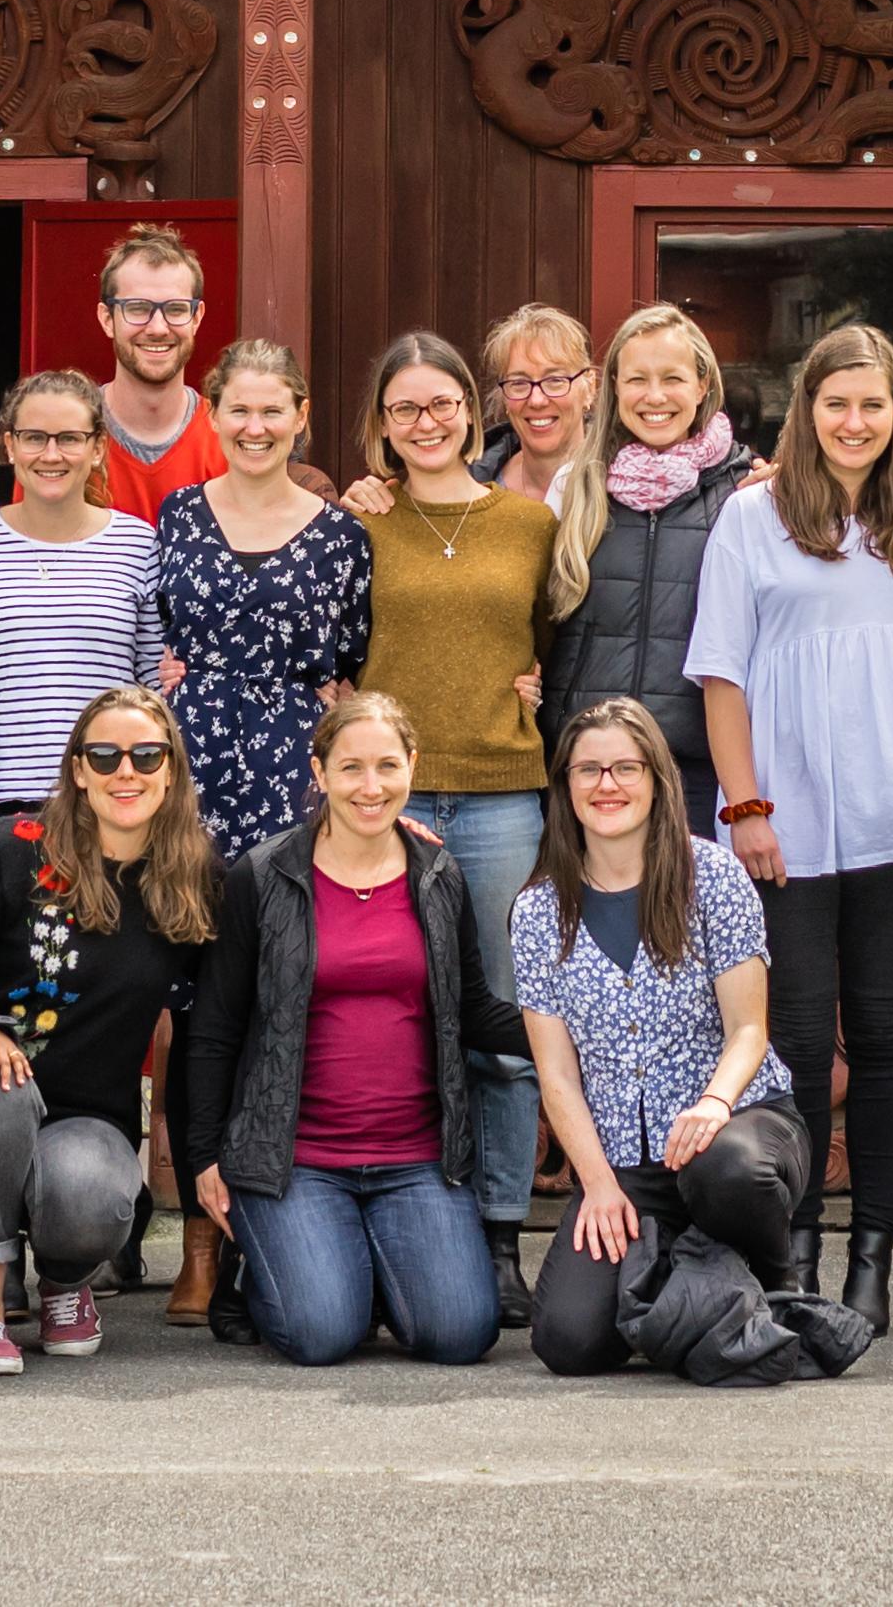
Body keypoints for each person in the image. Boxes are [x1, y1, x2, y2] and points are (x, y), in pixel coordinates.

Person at [680, 321, 893, 1333]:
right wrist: (747, 804)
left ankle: (872, 1264)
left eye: (874, 405)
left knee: (887, 1038)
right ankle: (792, 1250)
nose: (855, 421)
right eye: (837, 402)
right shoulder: (753, 518)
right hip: (783, 819)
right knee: (797, 1039)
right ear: (808, 411)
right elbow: (721, 675)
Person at [173, 691, 523, 1367]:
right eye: (352, 768)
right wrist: (204, 1158)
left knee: (459, 1335)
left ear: (412, 767)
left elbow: (475, 1009)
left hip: (417, 1159)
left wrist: (575, 1038)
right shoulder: (264, 876)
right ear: (320, 771)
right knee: (321, 1335)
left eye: (388, 766)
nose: (371, 787)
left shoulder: (439, 877)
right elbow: (215, 1026)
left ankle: (358, 1268)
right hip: (294, 1161)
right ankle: (280, 1270)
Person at [0, 685, 220, 1372]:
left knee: (95, 1197)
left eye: (146, 756)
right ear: (77, 769)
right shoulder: (19, 847)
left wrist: (387, 841)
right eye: (104, 755)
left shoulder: (193, 880)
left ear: (172, 770)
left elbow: (276, 922)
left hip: (85, 1124)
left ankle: (66, 1285)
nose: (125, 771)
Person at [341, 332, 564, 1324]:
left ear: (473, 411)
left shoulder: (529, 522)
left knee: (503, 1024)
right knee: (389, 1012)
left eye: (442, 405)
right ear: (381, 425)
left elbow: (566, 637)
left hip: (503, 793)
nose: (425, 423)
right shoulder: (359, 522)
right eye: (404, 409)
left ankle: (499, 1230)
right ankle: (401, 1223)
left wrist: (549, 687)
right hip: (387, 799)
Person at [513, 700, 805, 1378]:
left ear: (657, 779)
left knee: (726, 1169)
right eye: (588, 769)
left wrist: (712, 1105)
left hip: (737, 1127)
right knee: (568, 1343)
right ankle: (693, 1290)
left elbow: (749, 1031)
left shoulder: (714, 877)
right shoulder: (536, 911)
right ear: (565, 786)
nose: (606, 785)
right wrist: (597, 1186)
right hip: (625, 1165)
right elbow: (556, 1077)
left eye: (624, 767)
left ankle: (774, 1287)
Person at [146, 338, 366, 856]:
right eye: (239, 410)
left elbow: (355, 653)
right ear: (213, 415)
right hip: (188, 747)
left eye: (272, 411)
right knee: (184, 908)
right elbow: (163, 624)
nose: (255, 428)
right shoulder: (178, 515)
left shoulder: (342, 536)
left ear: (300, 415)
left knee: (283, 911)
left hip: (294, 752)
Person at [545, 304, 751, 785]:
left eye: (673, 378)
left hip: (698, 766)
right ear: (613, 386)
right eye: (637, 379)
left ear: (703, 386)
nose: (654, 396)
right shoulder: (574, 485)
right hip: (587, 763)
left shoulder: (744, 493)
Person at [0, 370, 163, 824]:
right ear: (9, 445)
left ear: (97, 448)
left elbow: (153, 687)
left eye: (69, 438)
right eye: (34, 437)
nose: (52, 455)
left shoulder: (139, 543)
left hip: (110, 795)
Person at [87, 222, 231, 521]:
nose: (157, 328)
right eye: (138, 308)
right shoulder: (65, 439)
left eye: (176, 309)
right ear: (106, 318)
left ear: (197, 317)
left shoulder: (229, 438)